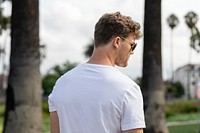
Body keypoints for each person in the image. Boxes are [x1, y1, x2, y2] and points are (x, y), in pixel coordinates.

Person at [48, 11, 146, 133]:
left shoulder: (61, 85)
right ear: (117, 41)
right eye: (132, 45)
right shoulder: (128, 90)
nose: (132, 51)